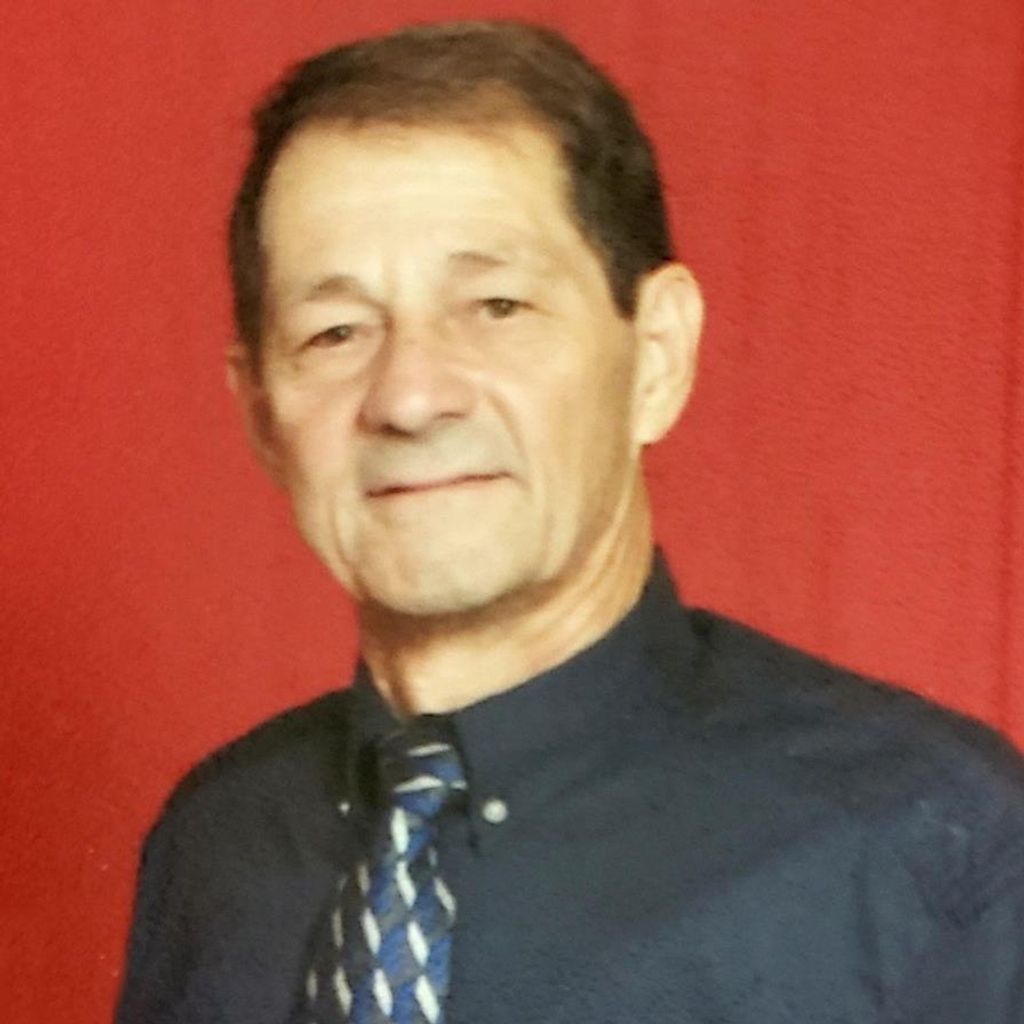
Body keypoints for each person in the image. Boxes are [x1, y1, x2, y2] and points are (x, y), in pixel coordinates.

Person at [115, 18, 1024, 1024]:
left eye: (497, 307)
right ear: (260, 412)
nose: (409, 396)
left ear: (656, 358)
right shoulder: (217, 843)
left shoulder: (936, 846)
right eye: (335, 331)